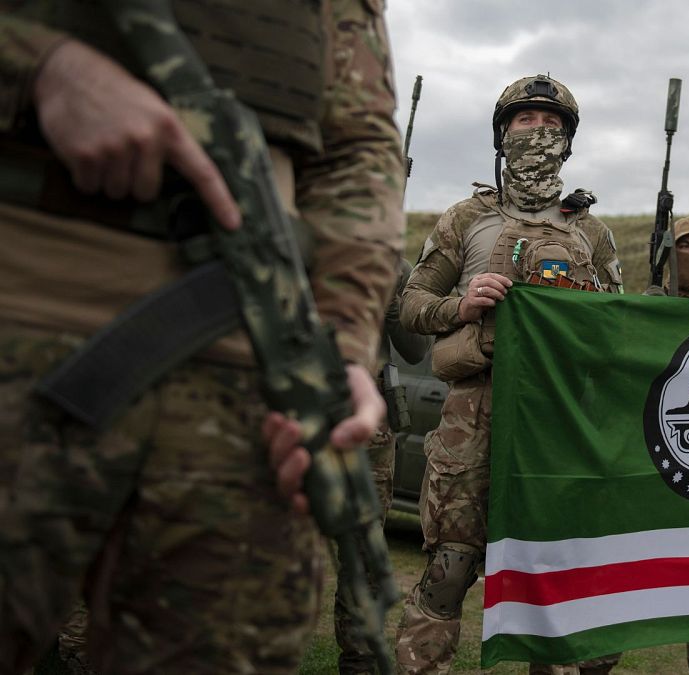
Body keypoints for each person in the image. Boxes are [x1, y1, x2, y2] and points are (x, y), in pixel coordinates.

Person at [0, 1, 404, 671]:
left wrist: (339, 339)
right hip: (28, 296)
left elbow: (359, 145)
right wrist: (40, 67)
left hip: (252, 375)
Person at [394, 73, 623, 674]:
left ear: (569, 141)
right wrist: (462, 306)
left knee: (548, 585)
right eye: (526, 121)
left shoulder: (590, 232)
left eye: (553, 124)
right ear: (502, 135)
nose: (539, 132)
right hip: (473, 420)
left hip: (556, 427)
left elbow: (619, 329)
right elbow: (412, 305)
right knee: (449, 570)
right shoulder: (466, 218)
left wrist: (587, 304)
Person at [579, 215, 689, 675]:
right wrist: (642, 318)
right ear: (667, 254)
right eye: (685, 243)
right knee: (618, 593)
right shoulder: (638, 313)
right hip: (640, 474)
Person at [334, 260, 433, 674]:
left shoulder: (392, 266)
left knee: (364, 550)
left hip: (368, 428)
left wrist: (392, 294)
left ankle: (357, 660)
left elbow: (414, 349)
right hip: (296, 410)